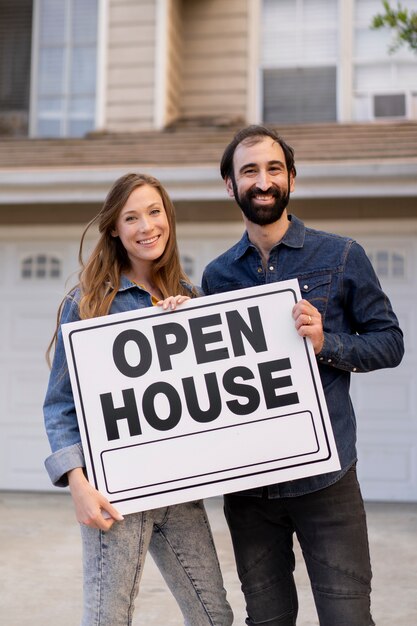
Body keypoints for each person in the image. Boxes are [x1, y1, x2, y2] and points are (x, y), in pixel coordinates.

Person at [201, 125, 404, 626]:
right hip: (250, 489)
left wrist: (325, 343)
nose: (262, 181)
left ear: (291, 177)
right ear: (230, 184)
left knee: (348, 619)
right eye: (249, 171)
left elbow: (390, 343)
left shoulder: (341, 255)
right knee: (267, 621)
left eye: (273, 169)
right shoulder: (217, 275)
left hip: (327, 481)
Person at [43, 172, 233, 626]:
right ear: (114, 228)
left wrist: (190, 321)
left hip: (179, 491)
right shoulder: (88, 303)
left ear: (168, 218)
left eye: (154, 212)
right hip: (115, 494)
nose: (146, 226)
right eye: (131, 217)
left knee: (214, 617)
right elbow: (60, 404)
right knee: (109, 619)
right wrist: (77, 484)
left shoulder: (190, 297)